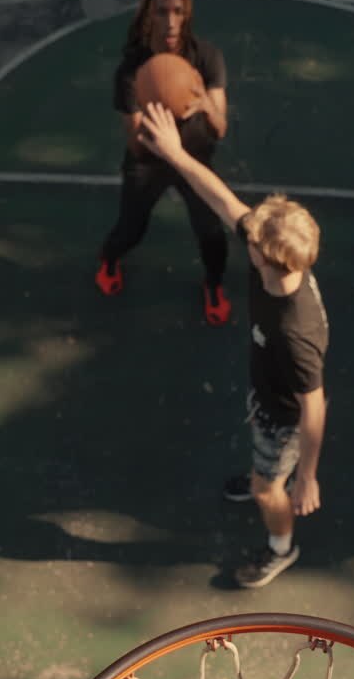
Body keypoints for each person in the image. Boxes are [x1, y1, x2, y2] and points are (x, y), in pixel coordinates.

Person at [140, 101, 328, 589]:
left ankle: (280, 547)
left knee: (270, 490)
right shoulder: (279, 257)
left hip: (282, 420)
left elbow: (314, 408)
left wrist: (306, 475)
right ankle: (262, 479)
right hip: (267, 392)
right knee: (261, 471)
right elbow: (224, 201)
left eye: (252, 238)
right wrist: (176, 154)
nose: (244, 230)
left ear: (265, 257)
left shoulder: (295, 333)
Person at [96, 0, 232, 325]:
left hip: (195, 159)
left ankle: (213, 285)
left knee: (212, 233)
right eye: (161, 12)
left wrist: (204, 104)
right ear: (148, 16)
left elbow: (220, 128)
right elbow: (134, 139)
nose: (170, 21)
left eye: (177, 11)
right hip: (150, 160)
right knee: (130, 230)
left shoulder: (206, 58)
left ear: (186, 15)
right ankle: (109, 260)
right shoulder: (132, 70)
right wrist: (157, 107)